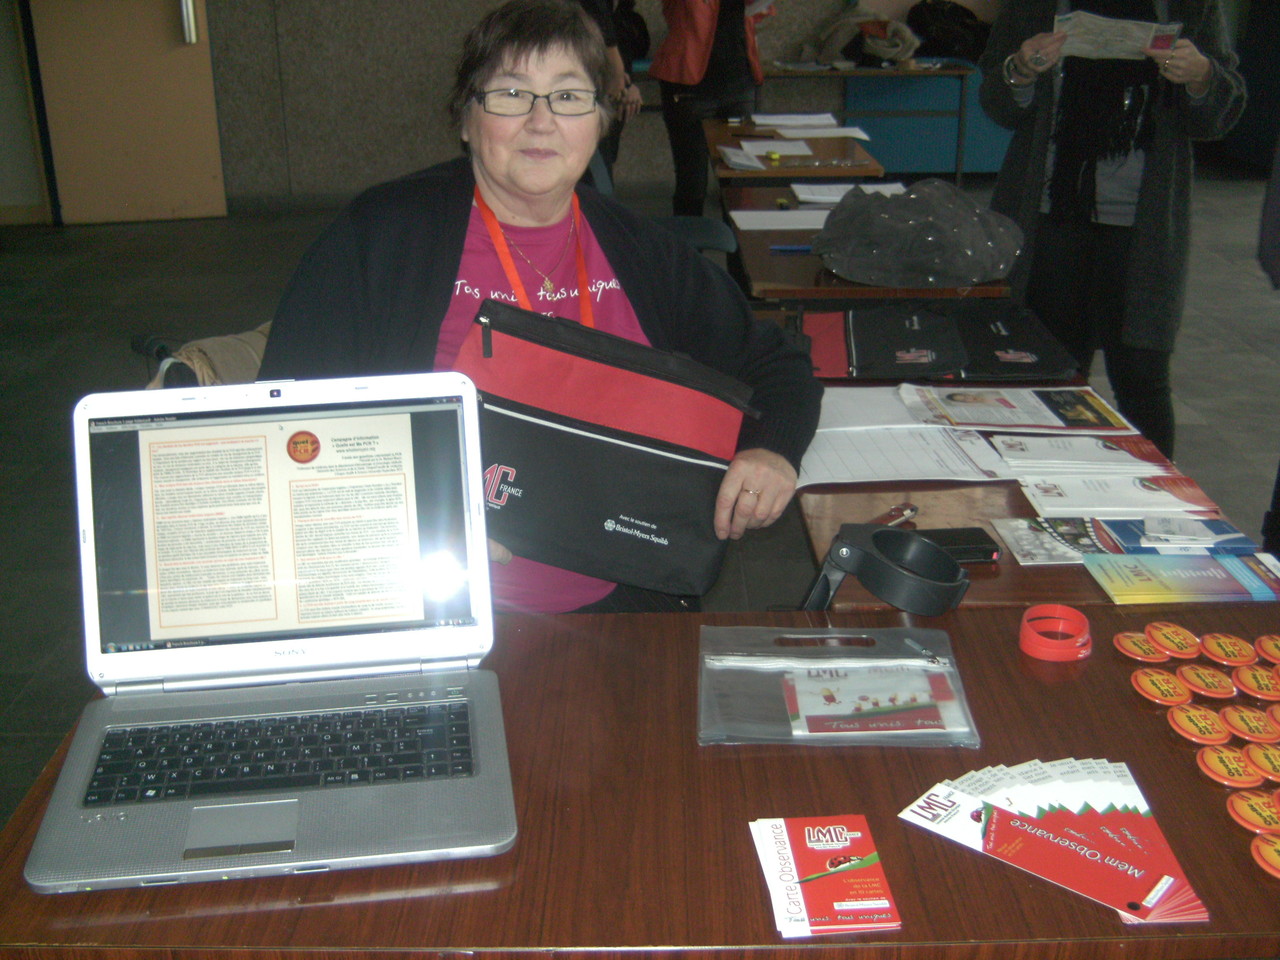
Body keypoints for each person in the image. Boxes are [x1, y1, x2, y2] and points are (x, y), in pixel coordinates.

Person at [257, 0, 822, 615]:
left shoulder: (639, 250)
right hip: (439, 601)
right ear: (467, 119)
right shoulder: (384, 236)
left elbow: (779, 364)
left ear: (600, 121)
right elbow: (290, 426)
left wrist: (773, 450)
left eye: (569, 96)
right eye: (510, 93)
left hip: (627, 599)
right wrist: (422, 519)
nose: (541, 121)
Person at [979, 0, 1245, 459]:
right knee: (1051, 374)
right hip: (1049, 217)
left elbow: (1219, 114)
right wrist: (1021, 70)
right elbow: (999, 103)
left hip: (1141, 229)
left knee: (1142, 378)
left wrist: (1201, 76)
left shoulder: (1194, 5)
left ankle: (1154, 506)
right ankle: (1048, 491)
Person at [648, 0, 772, 216]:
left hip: (739, 78)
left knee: (741, 180)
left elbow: (757, 12)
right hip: (690, 84)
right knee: (692, 180)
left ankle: (738, 248)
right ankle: (688, 247)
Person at [575, 0, 643, 173]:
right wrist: (618, 74)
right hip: (588, 77)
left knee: (601, 160)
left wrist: (627, 83)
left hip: (601, 80)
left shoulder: (623, 17)